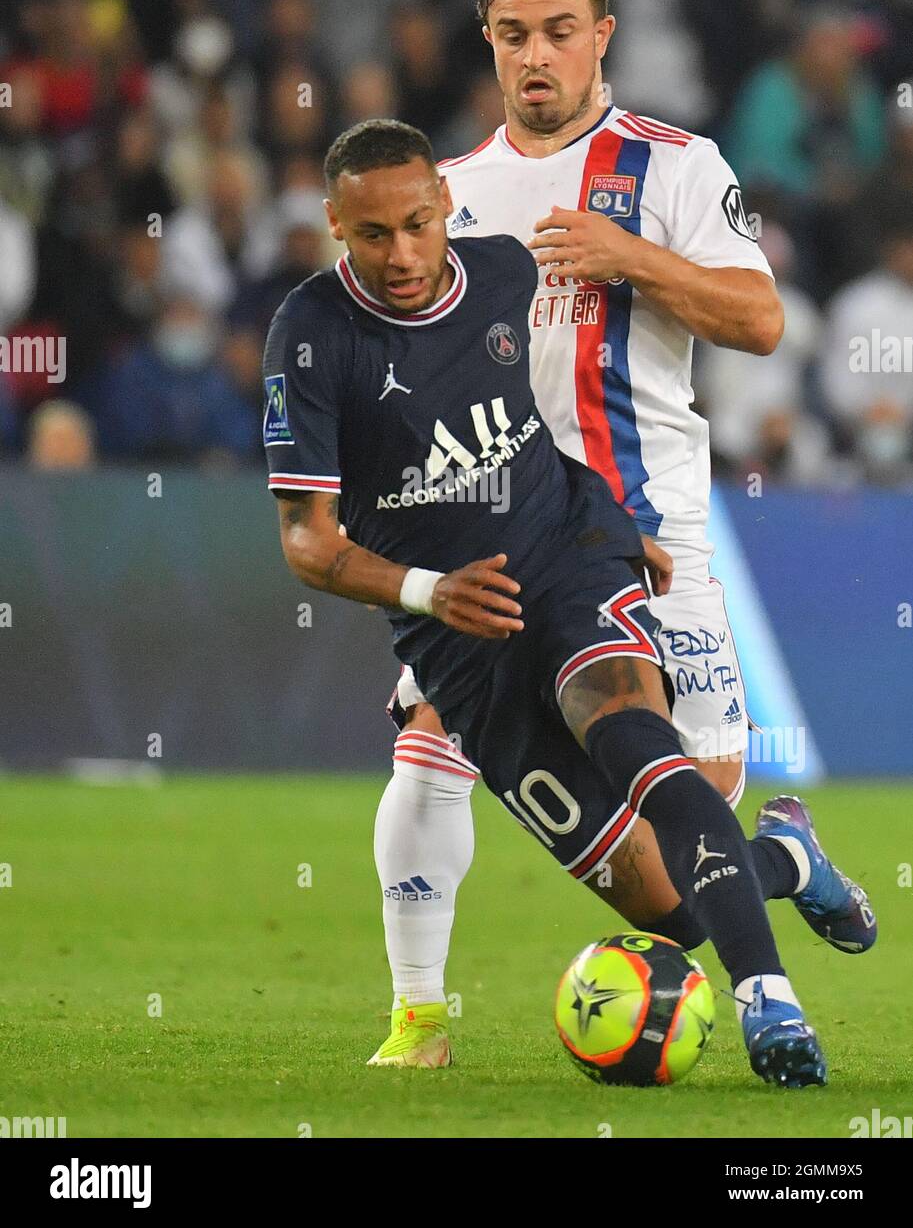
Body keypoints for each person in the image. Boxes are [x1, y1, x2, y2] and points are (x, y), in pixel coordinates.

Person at [370, 0, 875, 1066]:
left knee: (682, 884)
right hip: (501, 551)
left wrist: (626, 256)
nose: (536, 56)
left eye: (559, 31)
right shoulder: (445, 197)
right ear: (489, 44)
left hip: (655, 540)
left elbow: (756, 320)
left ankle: (781, 855)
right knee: (425, 744)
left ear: (601, 36)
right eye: (512, 36)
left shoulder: (675, 165)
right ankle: (416, 1020)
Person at [263, 118, 837, 1087]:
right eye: (373, 235)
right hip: (456, 628)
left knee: (627, 725)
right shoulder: (310, 337)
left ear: (446, 206)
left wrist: (612, 524)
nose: (401, 254)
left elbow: (529, 423)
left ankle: (769, 1006)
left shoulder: (499, 275)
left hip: (565, 557)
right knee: (673, 909)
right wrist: (428, 592)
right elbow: (309, 546)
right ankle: (783, 856)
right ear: (334, 227)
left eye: (416, 224)